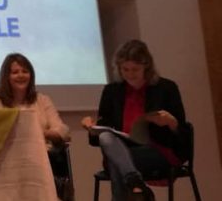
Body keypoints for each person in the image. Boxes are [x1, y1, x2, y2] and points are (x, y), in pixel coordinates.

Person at [81, 39, 191, 201]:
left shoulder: (166, 88)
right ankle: (136, 184)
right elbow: (101, 135)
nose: (130, 74)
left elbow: (183, 133)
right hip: (121, 149)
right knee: (106, 137)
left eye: (135, 69)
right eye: (125, 69)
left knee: (117, 162)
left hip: (159, 150)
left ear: (146, 67)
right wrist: (92, 129)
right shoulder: (112, 91)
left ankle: (135, 186)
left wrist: (170, 122)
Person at [0, 53, 72, 200]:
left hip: (40, 157)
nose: (21, 75)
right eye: (15, 72)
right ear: (6, 77)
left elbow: (63, 130)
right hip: (7, 161)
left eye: (25, 71)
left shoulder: (42, 100)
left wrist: (38, 133)